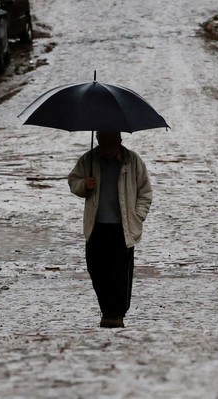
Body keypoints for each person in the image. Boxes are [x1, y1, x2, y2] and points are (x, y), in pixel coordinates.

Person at [67, 130, 152, 329]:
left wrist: (137, 216)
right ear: (97, 141)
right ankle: (107, 310)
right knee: (96, 269)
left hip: (123, 227)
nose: (105, 149)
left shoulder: (133, 161)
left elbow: (145, 192)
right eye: (102, 144)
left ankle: (116, 314)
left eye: (110, 144)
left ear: (119, 142)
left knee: (120, 273)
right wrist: (84, 185)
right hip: (96, 226)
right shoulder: (89, 160)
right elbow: (73, 181)